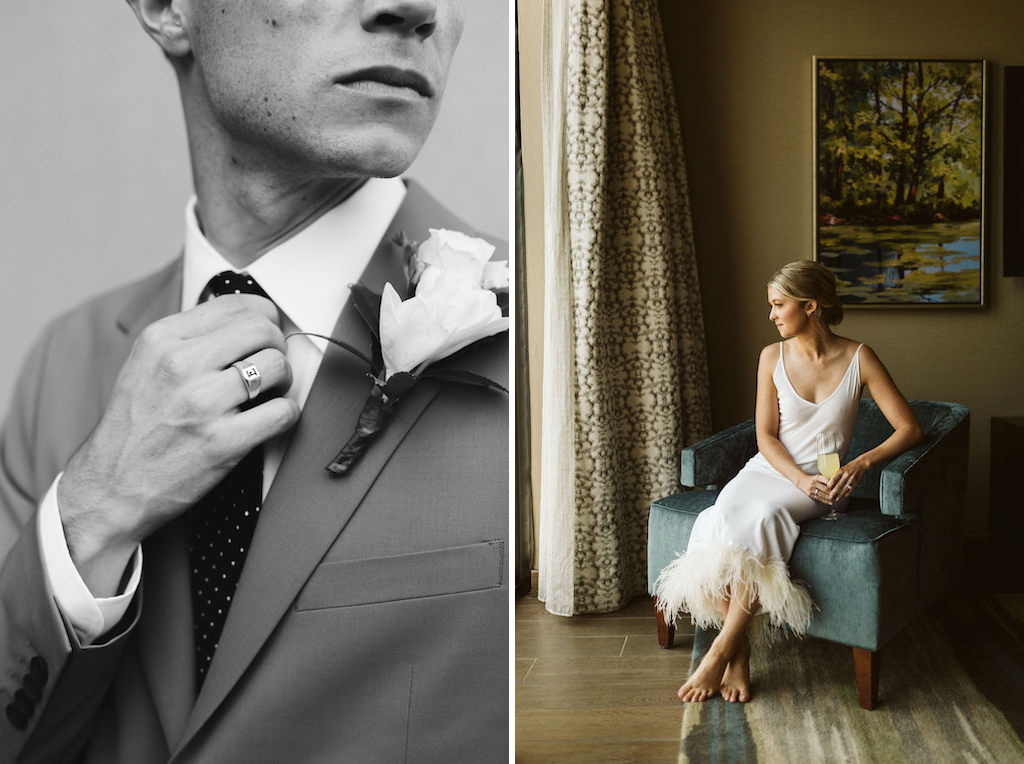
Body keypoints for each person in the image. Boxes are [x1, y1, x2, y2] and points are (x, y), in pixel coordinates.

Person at [0, 1, 508, 761]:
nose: (413, 7)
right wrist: (91, 520)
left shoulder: (537, 343)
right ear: (167, 9)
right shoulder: (61, 367)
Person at [654, 260, 922, 704]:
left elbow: (909, 428)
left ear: (810, 305)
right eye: (771, 306)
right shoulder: (771, 357)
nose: (772, 314)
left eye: (779, 305)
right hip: (771, 470)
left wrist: (858, 465)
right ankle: (735, 655)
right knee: (725, 513)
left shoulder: (860, 357)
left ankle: (724, 648)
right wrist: (797, 478)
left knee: (761, 513)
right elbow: (765, 436)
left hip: (827, 478)